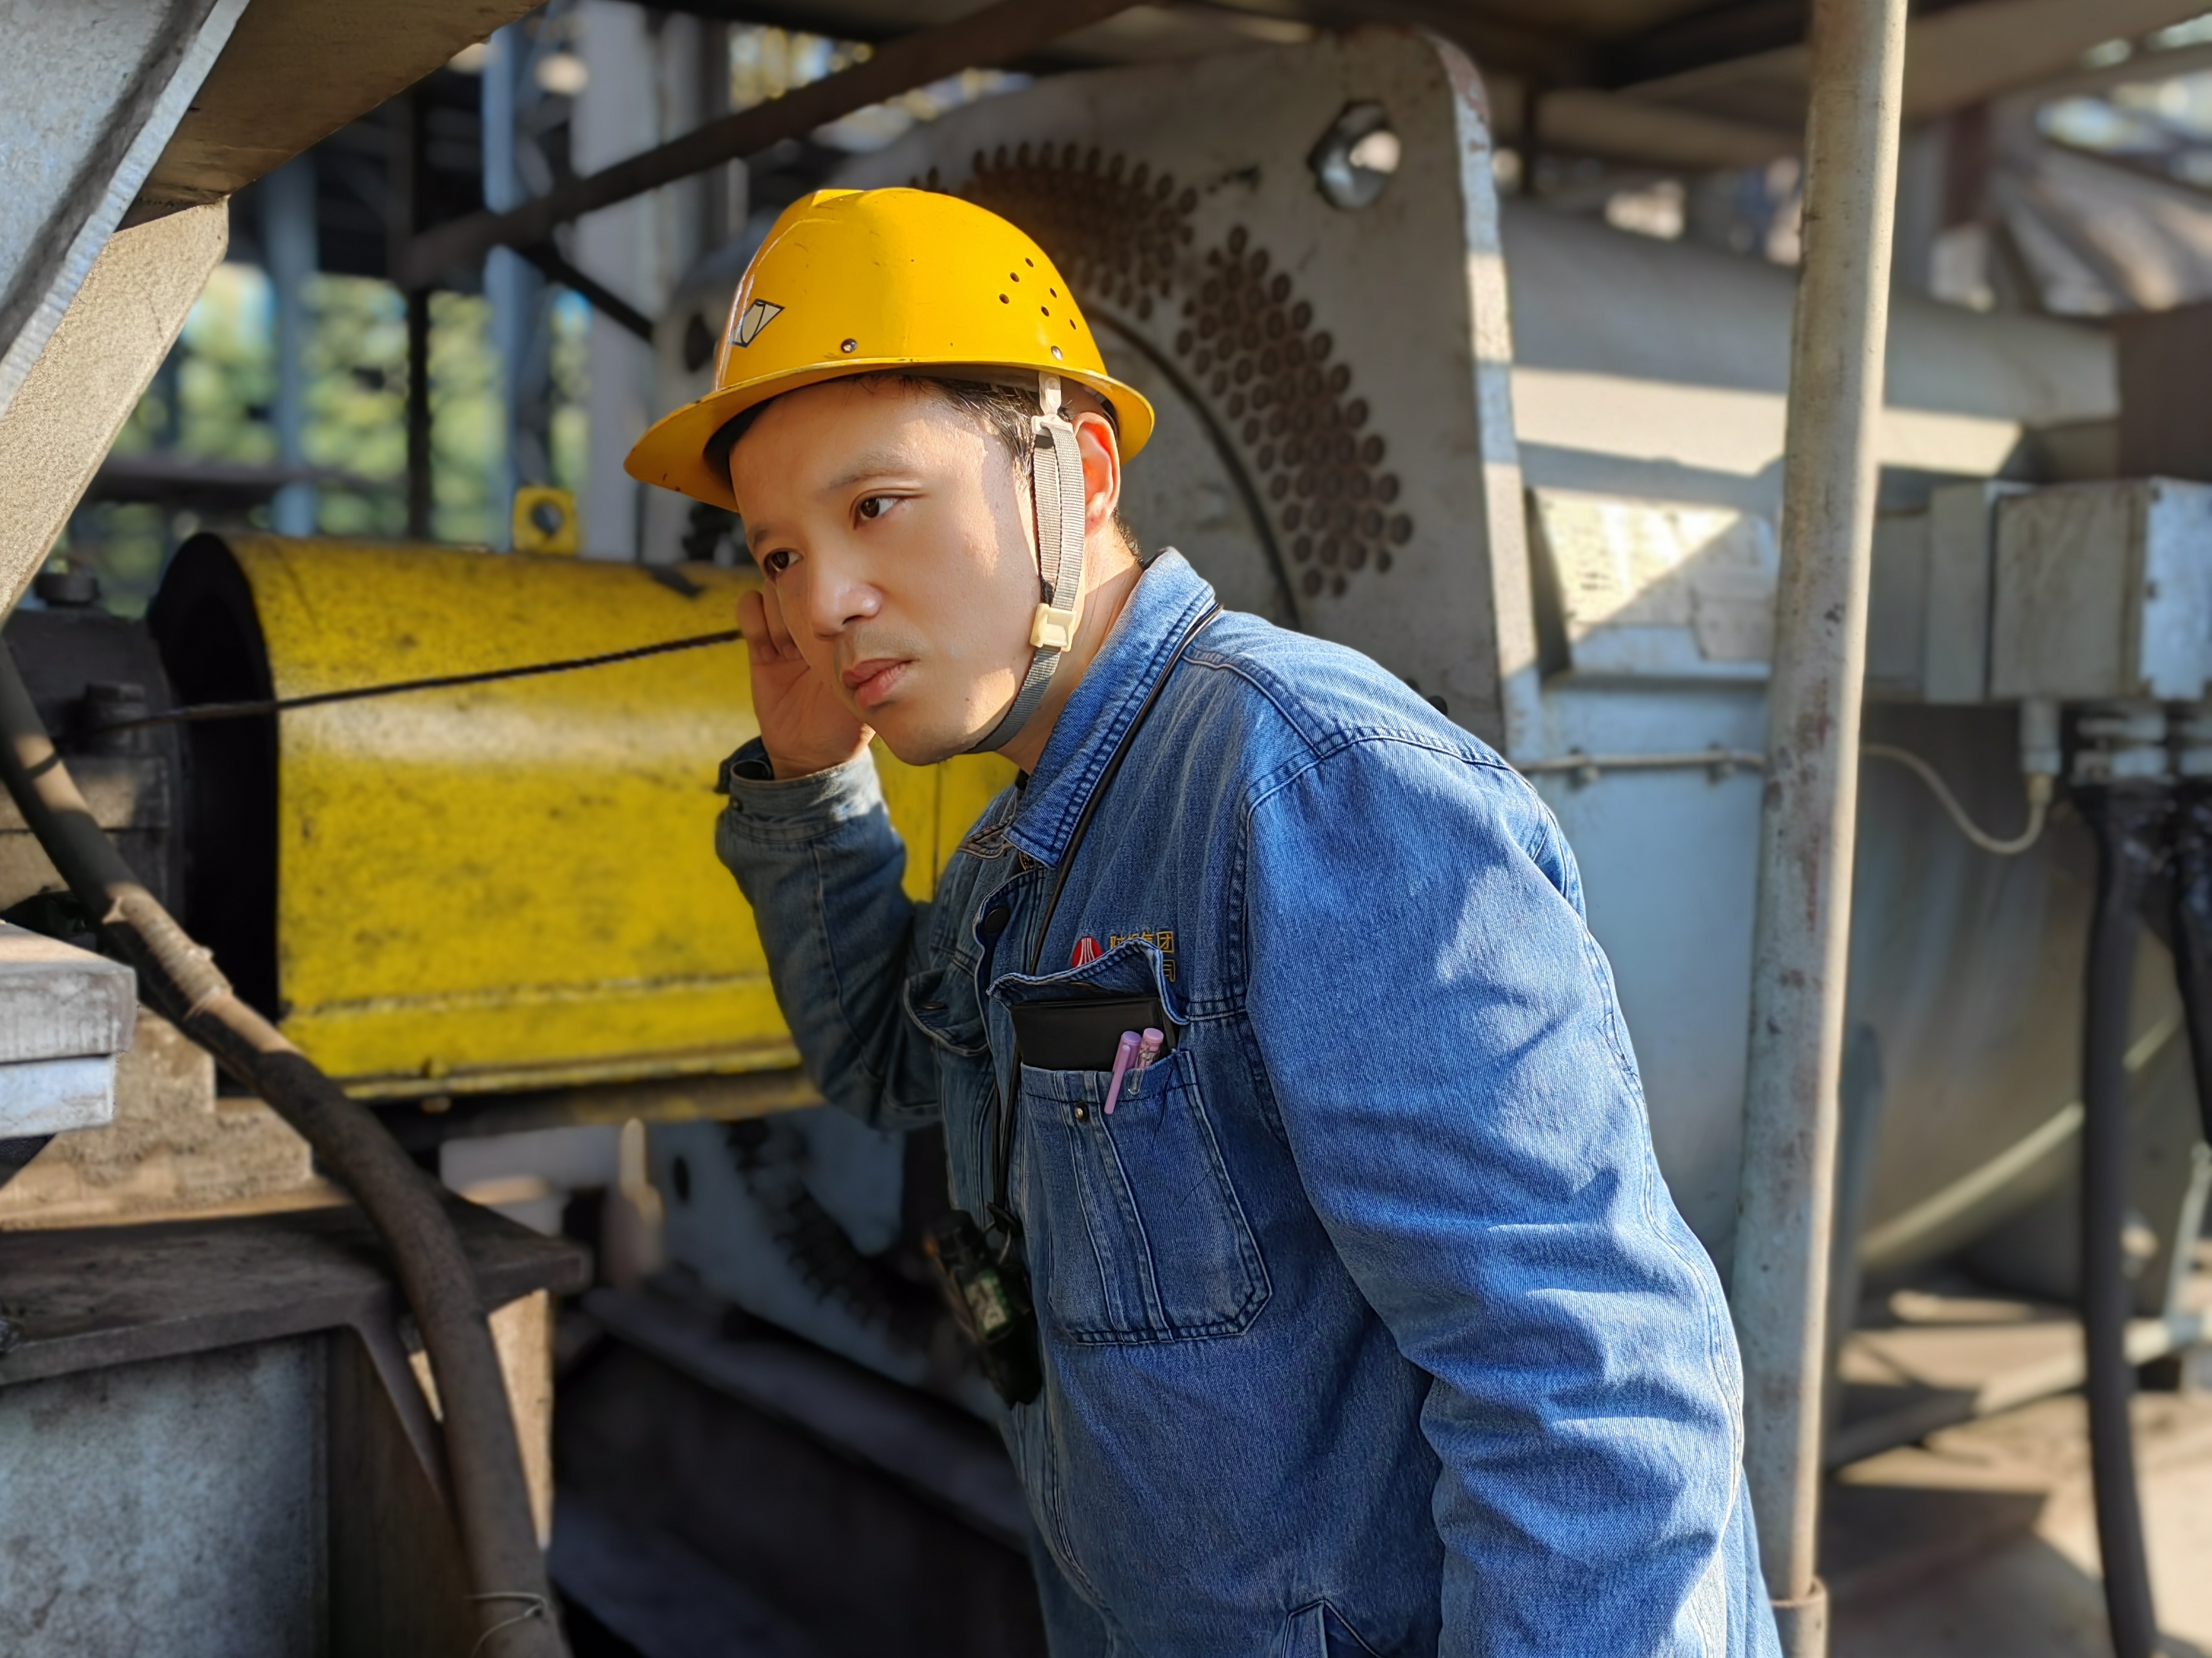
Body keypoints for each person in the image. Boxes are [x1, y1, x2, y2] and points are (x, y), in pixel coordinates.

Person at [626, 186, 1781, 1658]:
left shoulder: (1308, 787)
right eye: (778, 552)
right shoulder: (1036, 835)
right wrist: (810, 783)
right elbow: (883, 1068)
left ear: (1077, 472)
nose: (825, 599)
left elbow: (1585, 1383)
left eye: (874, 506)